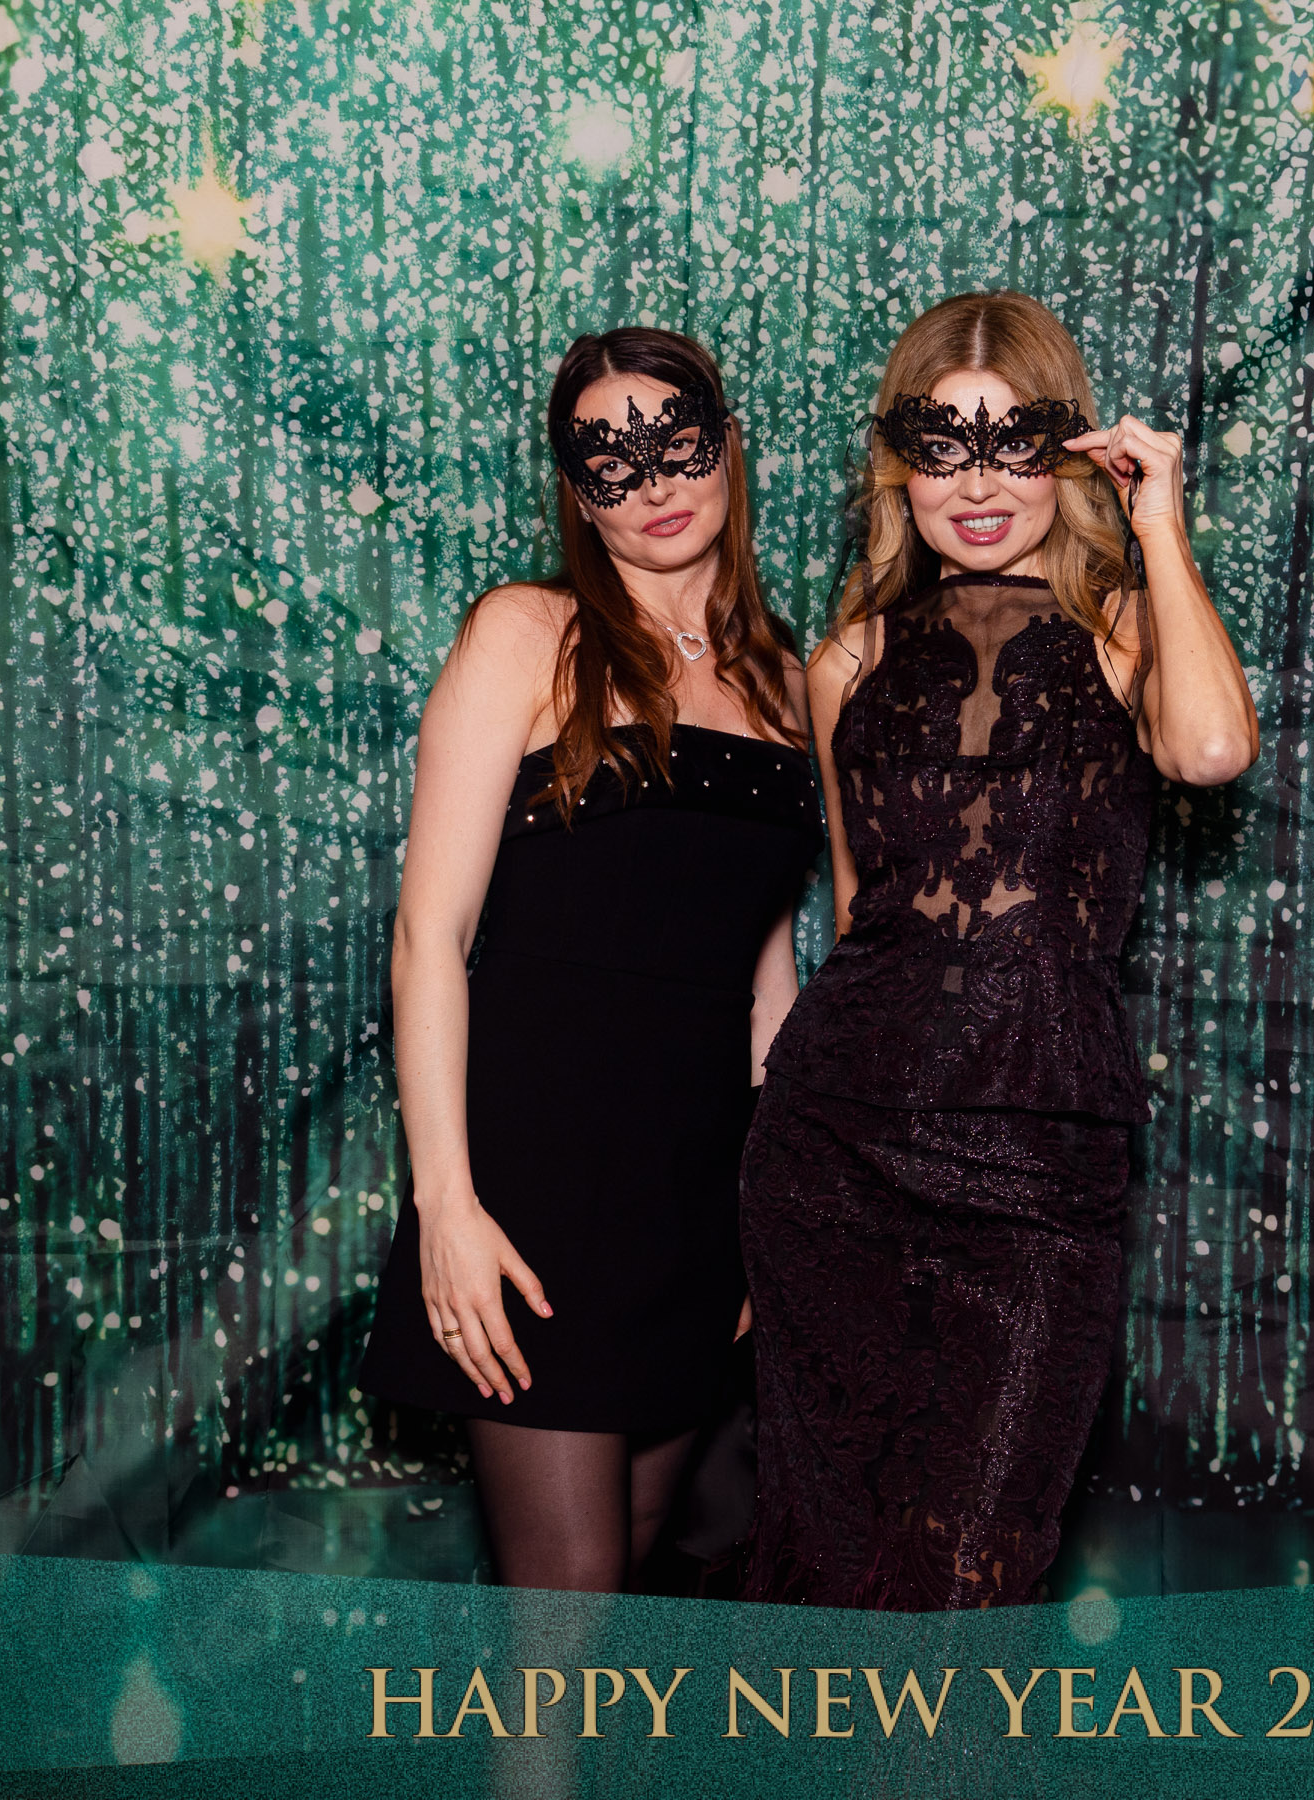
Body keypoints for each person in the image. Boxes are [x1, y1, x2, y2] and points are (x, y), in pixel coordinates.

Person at [740, 291, 1258, 1609]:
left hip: (1039, 1170)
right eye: (942, 445)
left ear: (1071, 452)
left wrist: (1158, 521)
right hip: (832, 1159)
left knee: (971, 1582)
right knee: (830, 1575)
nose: (976, 484)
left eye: (1012, 443)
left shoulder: (1130, 629)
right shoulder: (848, 657)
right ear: (898, 465)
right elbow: (860, 908)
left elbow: (1210, 751)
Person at [358, 328, 819, 1592]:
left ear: (728, 447)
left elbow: (765, 976)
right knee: (565, 1610)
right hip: (537, 1186)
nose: (653, 481)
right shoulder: (527, 633)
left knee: (618, 1597)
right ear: (575, 491)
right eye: (610, 461)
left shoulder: (788, 681)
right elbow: (430, 937)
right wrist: (446, 1207)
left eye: (676, 443)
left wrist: (766, 1218)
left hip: (699, 1196)